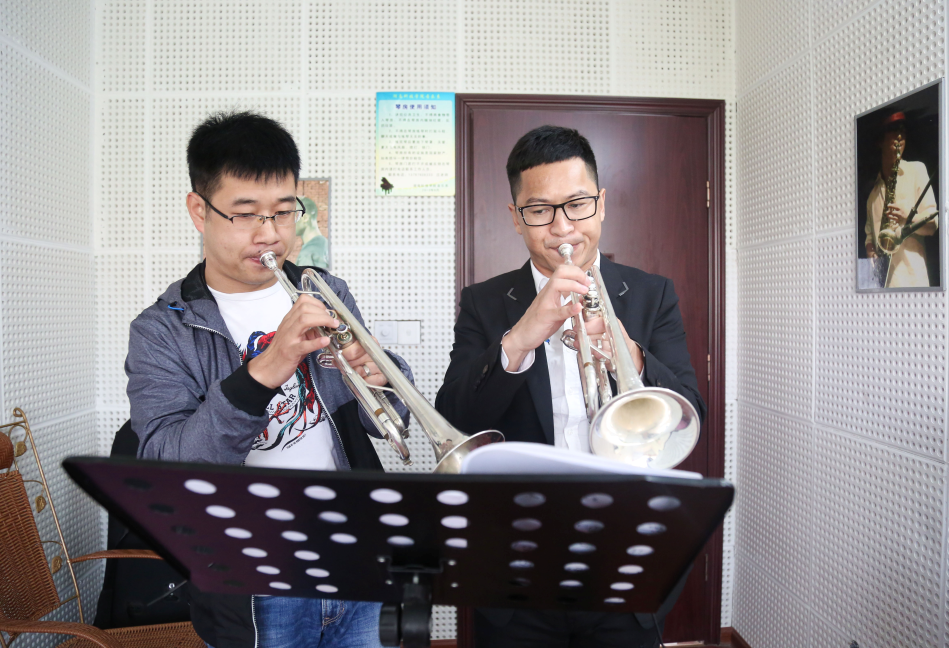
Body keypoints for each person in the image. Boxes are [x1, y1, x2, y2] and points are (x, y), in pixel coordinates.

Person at [126, 111, 411, 648]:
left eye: (283, 212)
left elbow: (386, 418)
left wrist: (381, 377)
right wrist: (268, 365)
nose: (271, 235)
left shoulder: (325, 291)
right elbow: (168, 468)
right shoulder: (162, 330)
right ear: (199, 210)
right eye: (246, 214)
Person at [435, 125, 706, 648]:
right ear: (516, 217)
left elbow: (689, 411)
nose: (562, 227)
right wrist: (521, 337)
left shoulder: (651, 294)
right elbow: (454, 420)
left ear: (601, 204)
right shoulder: (484, 302)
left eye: (578, 205)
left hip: (625, 557)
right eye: (539, 210)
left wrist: (628, 354)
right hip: (516, 563)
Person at [864, 111, 938, 288]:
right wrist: (870, 251)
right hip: (884, 286)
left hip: (913, 283)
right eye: (893, 129)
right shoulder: (872, 196)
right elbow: (869, 236)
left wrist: (908, 216)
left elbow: (933, 224)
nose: (900, 136)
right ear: (880, 140)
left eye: (903, 130)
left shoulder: (917, 170)